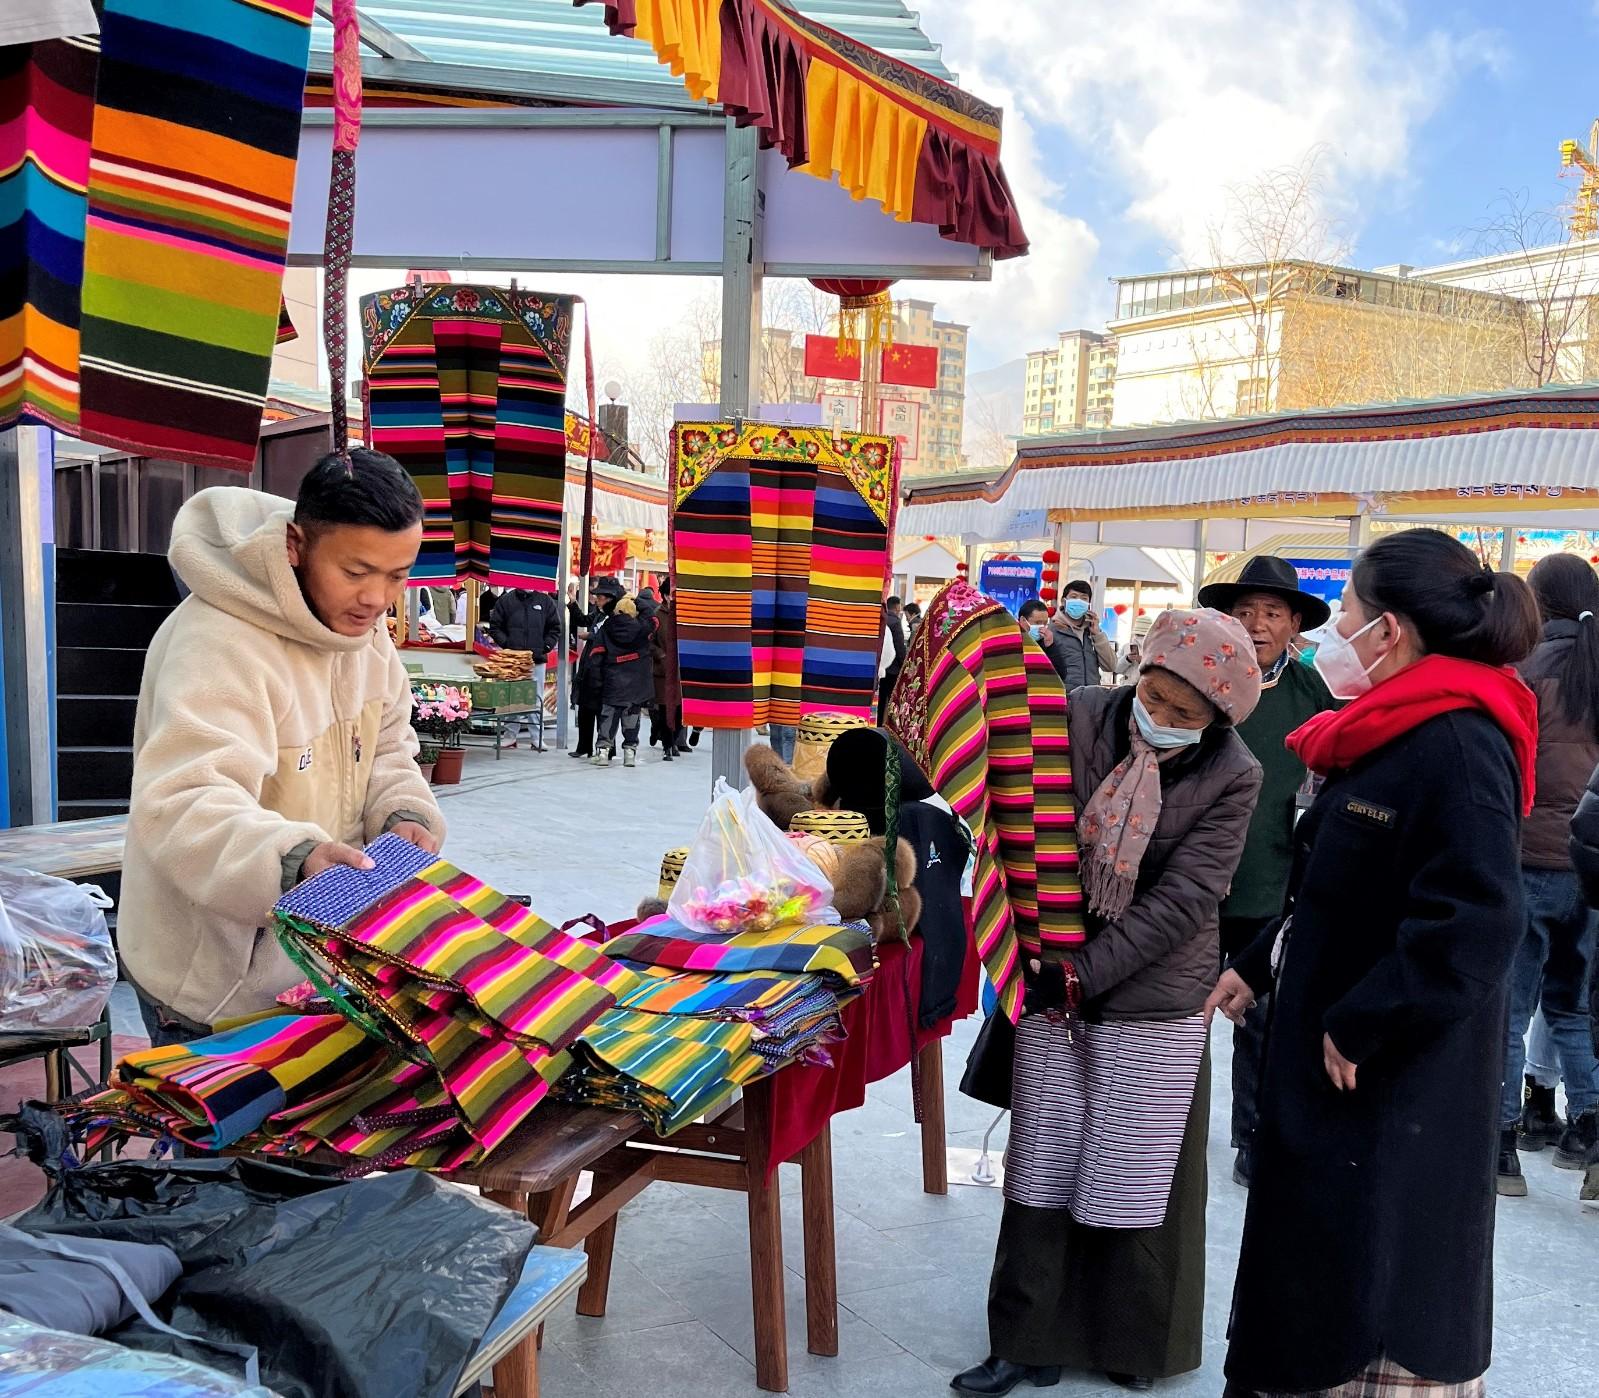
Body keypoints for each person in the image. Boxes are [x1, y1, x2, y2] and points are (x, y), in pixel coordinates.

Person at [1209, 528, 1540, 1398]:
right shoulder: (1386, 728)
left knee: (1367, 1289)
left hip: (1391, 1086)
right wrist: (1261, 961)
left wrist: (1364, 1020)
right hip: (1336, 1068)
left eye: (1345, 611)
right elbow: (1343, 885)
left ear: (1385, 629)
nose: (1333, 632)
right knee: (1314, 1278)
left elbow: (1478, 918)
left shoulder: (1458, 741)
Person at [956, 608, 1263, 1396]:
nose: (1160, 719)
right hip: (1052, 964)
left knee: (1134, 1172)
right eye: (1153, 697)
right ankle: (1024, 1340)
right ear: (1139, 672)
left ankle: (1133, 1342)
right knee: (1043, 1162)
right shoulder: (1078, 714)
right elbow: (1019, 812)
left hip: (1155, 991)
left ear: (1218, 718)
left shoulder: (1234, 773)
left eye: (1184, 714)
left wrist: (1083, 974)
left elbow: (1187, 898)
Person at [120, 449, 445, 1047]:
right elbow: (186, 802)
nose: (377, 599)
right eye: (357, 572)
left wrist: (404, 813)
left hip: (318, 961)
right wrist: (296, 860)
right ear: (296, 545)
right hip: (213, 982)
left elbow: (388, 748)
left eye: (397, 576)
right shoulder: (217, 642)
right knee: (219, 1111)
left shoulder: (366, 636)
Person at [1196, 555, 1338, 1186]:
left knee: (1260, 1018)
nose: (1256, 624)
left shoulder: (1314, 695)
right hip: (1195, 882)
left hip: (1273, 882)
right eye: (1244, 611)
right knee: (1181, 1014)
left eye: (1272, 613)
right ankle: (1166, 1125)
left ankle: (1252, 1134)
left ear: (1295, 625)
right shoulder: (1200, 680)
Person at [1496, 553, 1599, 1193]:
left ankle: (1501, 1148)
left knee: (1511, 1010)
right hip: (1593, 867)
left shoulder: (1525, 672)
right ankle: (1591, 1136)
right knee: (1574, 1008)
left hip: (1530, 858)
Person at [489, 587, 562, 752]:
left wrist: (545, 646)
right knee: (512, 698)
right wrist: (507, 644)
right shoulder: (506, 600)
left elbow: (555, 628)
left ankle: (537, 737)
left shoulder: (545, 601)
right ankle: (510, 736)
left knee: (536, 698)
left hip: (536, 659)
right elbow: (495, 626)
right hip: (513, 660)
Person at [591, 589, 655, 767]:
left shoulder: (607, 627)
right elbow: (653, 618)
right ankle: (629, 754)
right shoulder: (642, 628)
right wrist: (637, 601)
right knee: (632, 717)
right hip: (636, 683)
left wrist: (597, 680)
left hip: (612, 681)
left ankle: (603, 753)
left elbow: (596, 654)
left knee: (608, 718)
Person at [571, 577, 622, 760]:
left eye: (600, 597)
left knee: (604, 714)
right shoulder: (599, 614)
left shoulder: (617, 616)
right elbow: (582, 619)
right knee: (585, 710)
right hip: (589, 667)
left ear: (610, 598)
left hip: (605, 670)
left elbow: (610, 638)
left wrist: (591, 636)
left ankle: (607, 748)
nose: (596, 600)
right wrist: (572, 602)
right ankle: (584, 746)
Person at [1051, 578, 1116, 688]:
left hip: (1092, 695)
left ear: (1088, 604)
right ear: (1063, 601)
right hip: (1065, 695)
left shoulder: (1092, 631)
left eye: (1084, 598)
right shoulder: (1052, 630)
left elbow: (1110, 666)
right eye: (1074, 597)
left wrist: (1098, 635)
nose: (1079, 601)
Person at [879, 596, 908, 723]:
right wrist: (904, 665)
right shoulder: (895, 622)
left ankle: (878, 722)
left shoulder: (881, 619)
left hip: (879, 667)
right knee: (892, 699)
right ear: (897, 607)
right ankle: (890, 725)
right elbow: (899, 647)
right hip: (893, 669)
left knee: (880, 699)